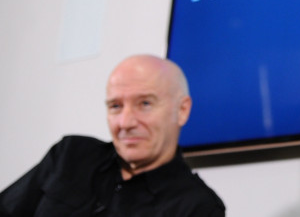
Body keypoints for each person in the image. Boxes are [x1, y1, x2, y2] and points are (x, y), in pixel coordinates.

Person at [0, 54, 225, 216]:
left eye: (145, 104)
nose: (125, 123)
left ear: (182, 110)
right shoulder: (70, 155)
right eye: (115, 106)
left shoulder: (197, 207)